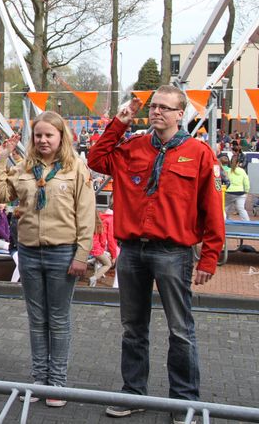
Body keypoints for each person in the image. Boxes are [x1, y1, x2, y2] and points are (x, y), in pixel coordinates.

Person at [87, 86, 224, 424]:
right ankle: (133, 393)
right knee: (133, 327)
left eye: (166, 107)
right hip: (132, 249)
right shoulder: (132, 147)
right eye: (155, 106)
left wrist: (209, 257)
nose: (157, 112)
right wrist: (119, 123)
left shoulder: (199, 153)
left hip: (173, 252)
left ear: (181, 114)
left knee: (180, 329)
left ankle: (183, 402)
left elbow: (212, 209)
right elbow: (95, 159)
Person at [0, 111, 95, 407]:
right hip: (28, 251)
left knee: (59, 320)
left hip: (63, 252)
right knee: (37, 320)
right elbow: (1, 193)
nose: (43, 140)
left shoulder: (76, 168)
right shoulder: (25, 167)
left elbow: (86, 214)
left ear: (61, 136)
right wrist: (1, 159)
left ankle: (58, 384)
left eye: (49, 134)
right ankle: (39, 379)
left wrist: (82, 254)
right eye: (38, 135)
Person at [89, 211, 118, 288]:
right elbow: (106, 239)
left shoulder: (91, 221)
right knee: (108, 264)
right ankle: (94, 278)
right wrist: (113, 255)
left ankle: (93, 265)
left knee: (99, 259)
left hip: (87, 246)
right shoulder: (108, 220)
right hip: (95, 248)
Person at [224, 155, 250, 221]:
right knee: (241, 209)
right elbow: (246, 182)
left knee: (225, 208)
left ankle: (224, 221)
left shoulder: (227, 171)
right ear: (238, 163)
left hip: (228, 192)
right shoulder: (242, 171)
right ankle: (247, 223)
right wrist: (247, 191)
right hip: (240, 193)